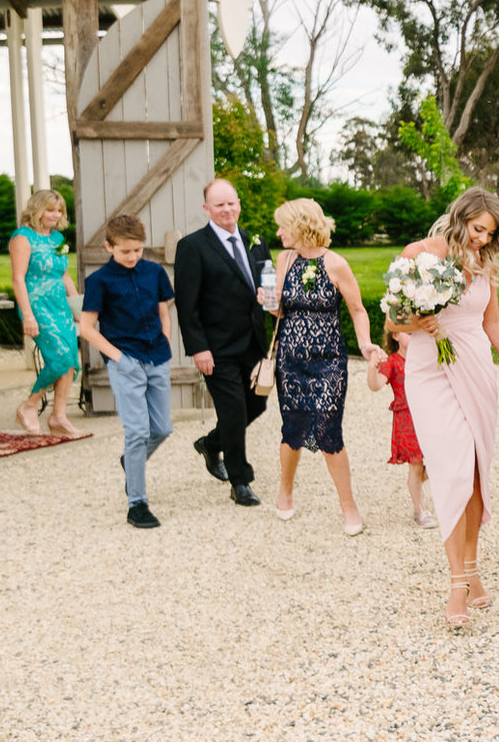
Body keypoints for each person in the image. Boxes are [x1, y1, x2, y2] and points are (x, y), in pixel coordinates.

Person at [389, 187, 499, 630]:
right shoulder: (419, 253)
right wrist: (420, 322)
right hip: (430, 368)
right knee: (451, 468)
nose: (482, 240)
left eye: (490, 234)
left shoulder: (484, 263)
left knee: (473, 470)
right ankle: (456, 584)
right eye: (477, 230)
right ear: (460, 218)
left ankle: (471, 569)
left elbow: (491, 323)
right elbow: (395, 320)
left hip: (473, 365)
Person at [266, 197, 380, 535]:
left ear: (300, 226)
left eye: (283, 225)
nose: (278, 232)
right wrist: (268, 302)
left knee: (330, 431)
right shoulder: (284, 260)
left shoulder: (336, 263)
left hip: (329, 360)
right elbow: (280, 312)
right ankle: (285, 491)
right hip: (290, 359)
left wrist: (364, 343)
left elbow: (357, 310)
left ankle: (349, 506)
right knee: (293, 428)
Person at [78, 212, 179, 529]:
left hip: (157, 357)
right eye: (125, 251)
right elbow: (86, 328)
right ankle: (137, 503)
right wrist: (119, 359)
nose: (133, 256)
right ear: (109, 246)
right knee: (137, 433)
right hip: (126, 362)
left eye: (137, 250)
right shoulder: (99, 282)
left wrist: (165, 338)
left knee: (162, 429)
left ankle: (130, 462)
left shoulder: (154, 272)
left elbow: (164, 311)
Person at [175, 177, 270, 507]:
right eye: (219, 204)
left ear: (239, 204)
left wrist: (269, 299)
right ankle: (240, 480)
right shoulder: (192, 246)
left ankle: (211, 443)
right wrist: (198, 348)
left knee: (256, 404)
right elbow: (187, 305)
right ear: (206, 209)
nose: (227, 209)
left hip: (254, 344)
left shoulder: (255, 241)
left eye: (231, 203)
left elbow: (264, 286)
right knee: (232, 412)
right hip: (216, 349)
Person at [9, 190, 80, 437]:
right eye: (50, 209)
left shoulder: (57, 238)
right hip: (36, 305)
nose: (55, 215)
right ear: (37, 210)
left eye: (59, 210)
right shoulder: (23, 237)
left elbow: (64, 274)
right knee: (59, 357)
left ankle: (59, 417)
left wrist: (78, 307)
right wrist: (27, 316)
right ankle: (29, 405)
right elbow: (17, 279)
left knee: (70, 358)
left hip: (60, 305)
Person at [365, 344, 431, 526]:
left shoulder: (425, 355)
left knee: (436, 461)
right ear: (395, 334)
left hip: (428, 415)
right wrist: (372, 366)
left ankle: (417, 485)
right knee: (415, 465)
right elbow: (375, 385)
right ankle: (420, 511)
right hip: (406, 419)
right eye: (406, 332)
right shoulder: (393, 362)